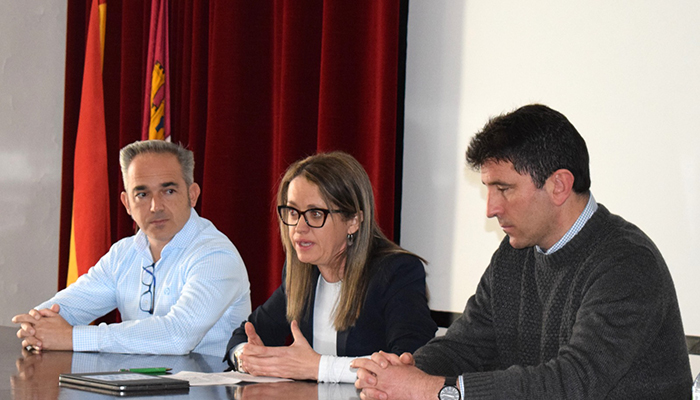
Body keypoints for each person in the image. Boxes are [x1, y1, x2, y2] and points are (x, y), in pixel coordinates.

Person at [354, 104, 691, 399]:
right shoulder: (514, 254)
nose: (491, 208)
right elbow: (465, 346)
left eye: (504, 189)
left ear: (559, 185)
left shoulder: (627, 263)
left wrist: (434, 390)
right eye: (489, 189)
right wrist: (404, 372)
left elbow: (571, 384)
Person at [12, 140, 251, 357]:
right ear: (127, 203)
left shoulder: (216, 255)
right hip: (136, 382)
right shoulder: (124, 254)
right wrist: (37, 325)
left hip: (208, 386)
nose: (156, 206)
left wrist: (72, 338)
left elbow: (178, 336)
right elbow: (66, 308)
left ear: (192, 195)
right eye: (142, 194)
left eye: (168, 191)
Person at [224, 151, 436, 383]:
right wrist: (247, 358)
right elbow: (244, 335)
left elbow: (409, 363)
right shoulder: (303, 273)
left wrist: (317, 367)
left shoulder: (396, 272)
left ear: (353, 221)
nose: (299, 227)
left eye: (315, 214)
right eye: (293, 212)